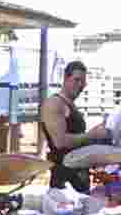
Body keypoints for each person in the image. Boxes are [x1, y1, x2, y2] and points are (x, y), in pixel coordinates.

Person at [40, 61, 112, 193]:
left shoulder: (70, 105)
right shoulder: (54, 103)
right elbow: (60, 142)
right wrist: (91, 135)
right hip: (64, 180)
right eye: (76, 80)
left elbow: (78, 142)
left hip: (79, 177)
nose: (80, 85)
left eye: (83, 82)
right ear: (65, 79)